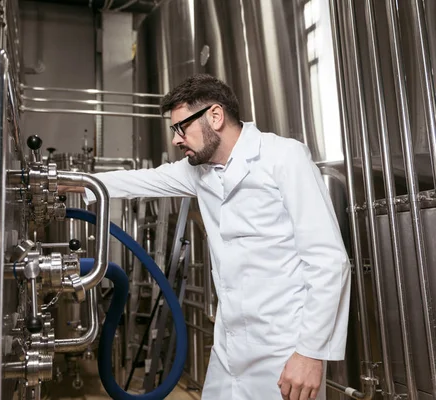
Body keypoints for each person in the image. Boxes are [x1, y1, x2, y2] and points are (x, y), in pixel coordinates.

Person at [62, 74, 351, 400]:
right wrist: (72, 181)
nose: (176, 140)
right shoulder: (198, 170)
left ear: (215, 116)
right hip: (230, 345)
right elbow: (139, 180)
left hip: (284, 348)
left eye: (180, 128)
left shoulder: (283, 157)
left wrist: (311, 353)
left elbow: (329, 260)